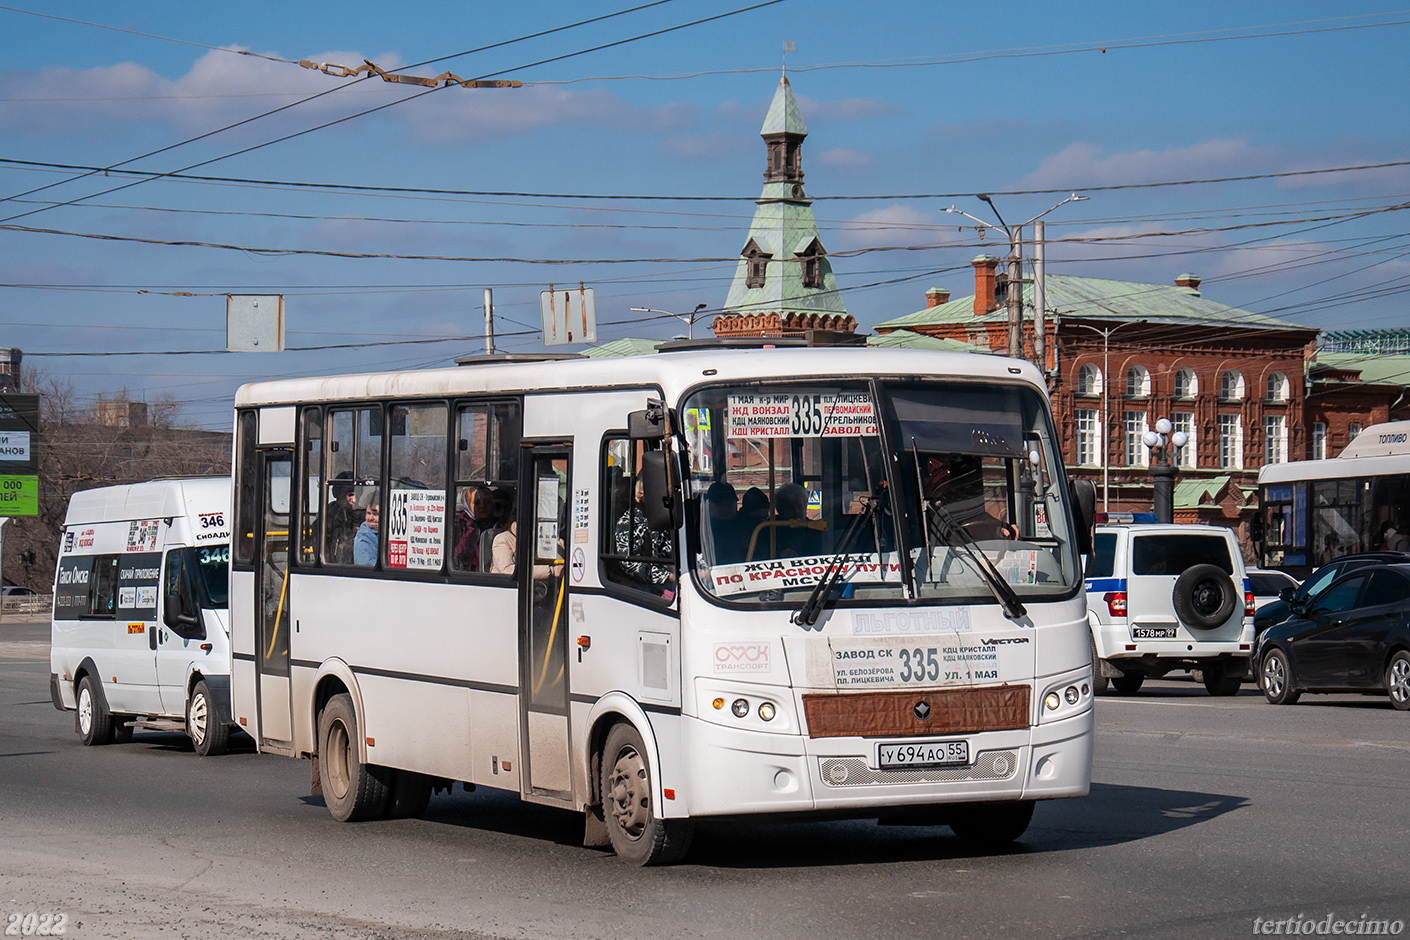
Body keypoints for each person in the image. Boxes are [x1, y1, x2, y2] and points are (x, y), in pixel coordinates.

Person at [453, 485, 495, 571]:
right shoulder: (461, 528)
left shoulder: (499, 526)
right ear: (468, 505)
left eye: (487, 502)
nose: (482, 506)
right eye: (477, 503)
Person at [325, 472, 361, 564]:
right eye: (350, 495)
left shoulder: (362, 515)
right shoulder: (327, 517)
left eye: (358, 495)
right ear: (339, 494)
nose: (354, 500)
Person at [704, 480, 744, 564]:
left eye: (729, 504)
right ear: (709, 505)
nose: (725, 508)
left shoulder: (746, 525)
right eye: (719, 504)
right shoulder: (702, 528)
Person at [353, 489, 380, 566]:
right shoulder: (364, 536)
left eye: (375, 514)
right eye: (368, 513)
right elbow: (366, 565)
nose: (370, 518)